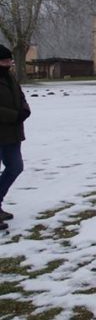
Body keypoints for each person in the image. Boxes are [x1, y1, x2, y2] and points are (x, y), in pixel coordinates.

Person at [0, 45, 30, 231]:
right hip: (4, 127)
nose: (8, 64)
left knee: (15, 167)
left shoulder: (9, 77)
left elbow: (20, 96)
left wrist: (25, 109)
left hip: (12, 132)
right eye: (4, 61)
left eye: (9, 61)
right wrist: (13, 115)